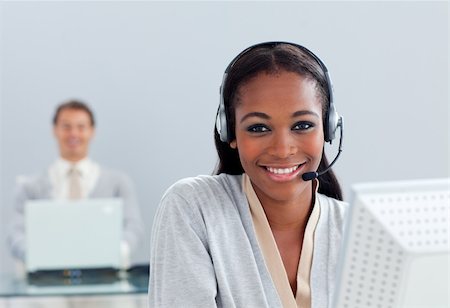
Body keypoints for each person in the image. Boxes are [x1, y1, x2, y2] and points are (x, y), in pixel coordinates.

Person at [148, 42, 348, 308]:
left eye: (302, 125)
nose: (282, 149)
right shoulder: (193, 208)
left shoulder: (356, 228)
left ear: (328, 129)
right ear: (229, 132)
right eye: (258, 128)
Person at [7, 99, 144, 271]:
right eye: (66, 126)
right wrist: (37, 256)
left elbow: (133, 227)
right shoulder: (29, 187)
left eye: (81, 127)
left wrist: (117, 251)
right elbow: (15, 234)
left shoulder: (118, 183)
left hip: (105, 278)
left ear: (92, 131)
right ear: (54, 130)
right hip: (46, 280)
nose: (74, 133)